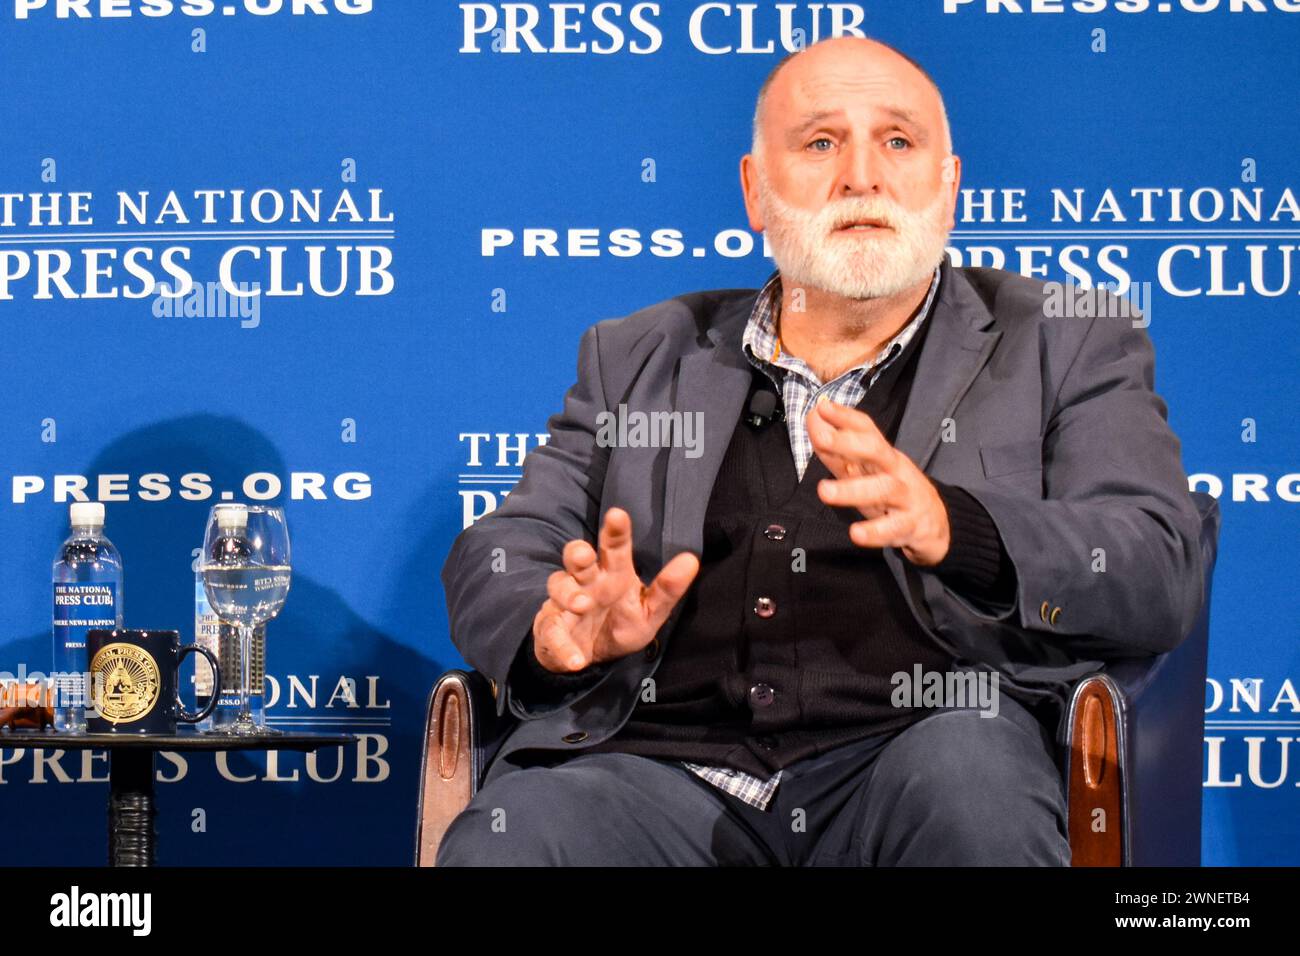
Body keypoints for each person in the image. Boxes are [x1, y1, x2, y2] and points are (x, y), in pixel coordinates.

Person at [436, 35, 1204, 866]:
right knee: (522, 835)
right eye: (821, 142)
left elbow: (1155, 564)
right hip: (659, 775)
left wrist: (961, 530)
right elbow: (501, 550)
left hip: (922, 759)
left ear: (948, 189)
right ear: (755, 190)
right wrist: (553, 631)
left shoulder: (1066, 340)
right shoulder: (640, 354)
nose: (861, 176)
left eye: (898, 142)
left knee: (970, 783)